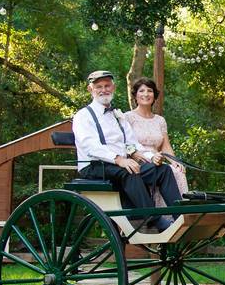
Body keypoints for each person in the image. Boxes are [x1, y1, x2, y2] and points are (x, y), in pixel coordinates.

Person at [72, 70, 182, 232]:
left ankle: (180, 217)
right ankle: (155, 219)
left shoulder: (118, 115)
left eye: (107, 85)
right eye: (99, 87)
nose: (104, 90)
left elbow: (132, 144)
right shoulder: (83, 116)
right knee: (129, 171)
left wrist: (152, 157)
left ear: (113, 87)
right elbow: (90, 146)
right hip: (95, 166)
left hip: (120, 165)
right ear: (91, 90)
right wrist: (119, 159)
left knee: (162, 170)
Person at [122, 77, 189, 205]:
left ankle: (179, 215)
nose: (146, 94)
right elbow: (125, 144)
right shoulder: (127, 117)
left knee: (178, 171)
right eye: (141, 91)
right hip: (138, 159)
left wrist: (175, 162)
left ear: (154, 95)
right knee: (163, 170)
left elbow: (165, 146)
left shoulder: (160, 120)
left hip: (158, 158)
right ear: (135, 96)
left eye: (150, 91)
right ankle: (162, 214)